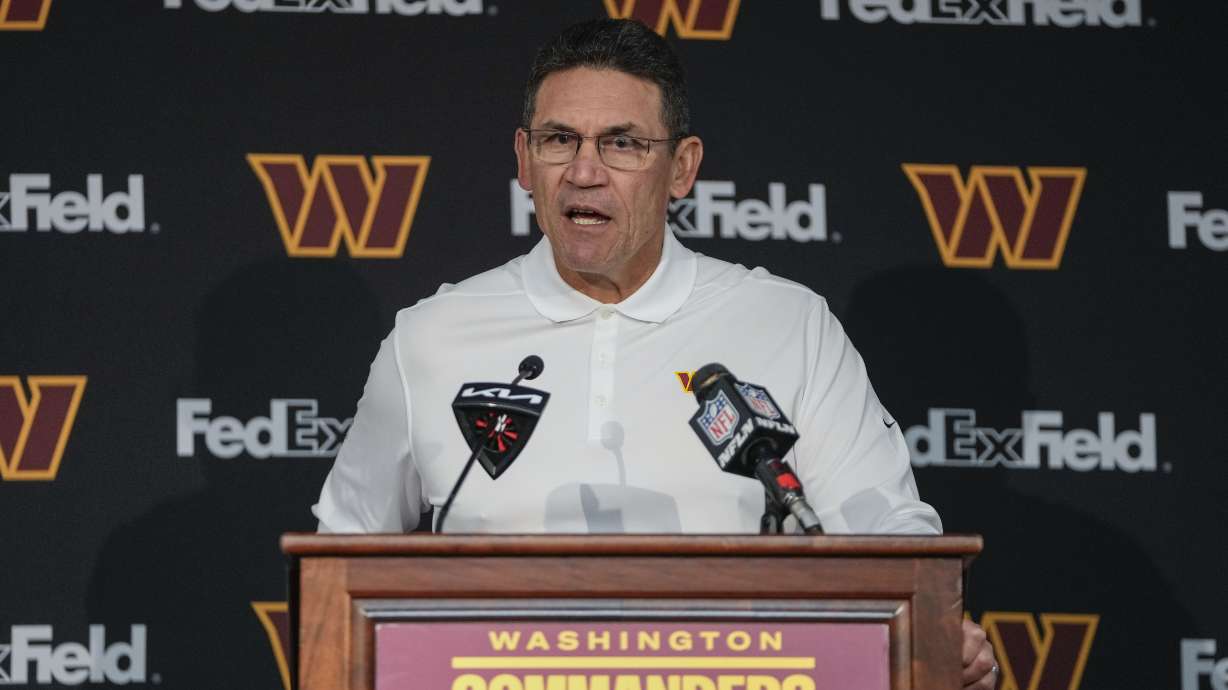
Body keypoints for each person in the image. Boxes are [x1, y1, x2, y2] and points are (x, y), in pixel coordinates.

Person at [311, 17, 998, 689]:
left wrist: (933, 636)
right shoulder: (432, 337)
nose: (584, 172)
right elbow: (337, 566)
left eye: (622, 144)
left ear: (682, 168)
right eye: (559, 140)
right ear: (523, 160)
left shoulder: (789, 325)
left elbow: (886, 533)